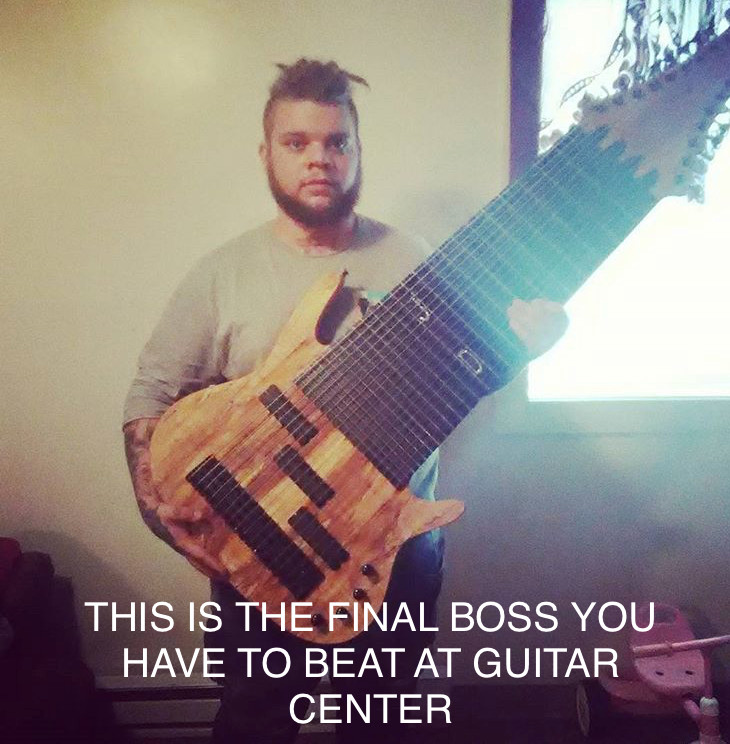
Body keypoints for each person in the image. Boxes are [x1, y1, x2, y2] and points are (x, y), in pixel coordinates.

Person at [123, 58, 568, 744]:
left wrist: (522, 349)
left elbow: (466, 371)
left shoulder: (415, 259)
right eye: (296, 142)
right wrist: (161, 512)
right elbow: (151, 394)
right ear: (266, 154)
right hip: (258, 553)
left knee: (382, 724)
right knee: (254, 725)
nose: (319, 158)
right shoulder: (220, 275)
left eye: (337, 141)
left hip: (391, 556)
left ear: (358, 151)